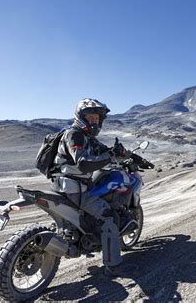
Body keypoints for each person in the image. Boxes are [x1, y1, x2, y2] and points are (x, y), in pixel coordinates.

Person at [50, 98, 136, 277]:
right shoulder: (75, 135)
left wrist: (132, 157)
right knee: (109, 217)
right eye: (90, 117)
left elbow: (108, 151)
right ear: (81, 117)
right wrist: (110, 158)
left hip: (65, 187)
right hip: (74, 189)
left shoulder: (88, 138)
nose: (94, 121)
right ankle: (113, 267)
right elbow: (83, 164)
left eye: (97, 118)